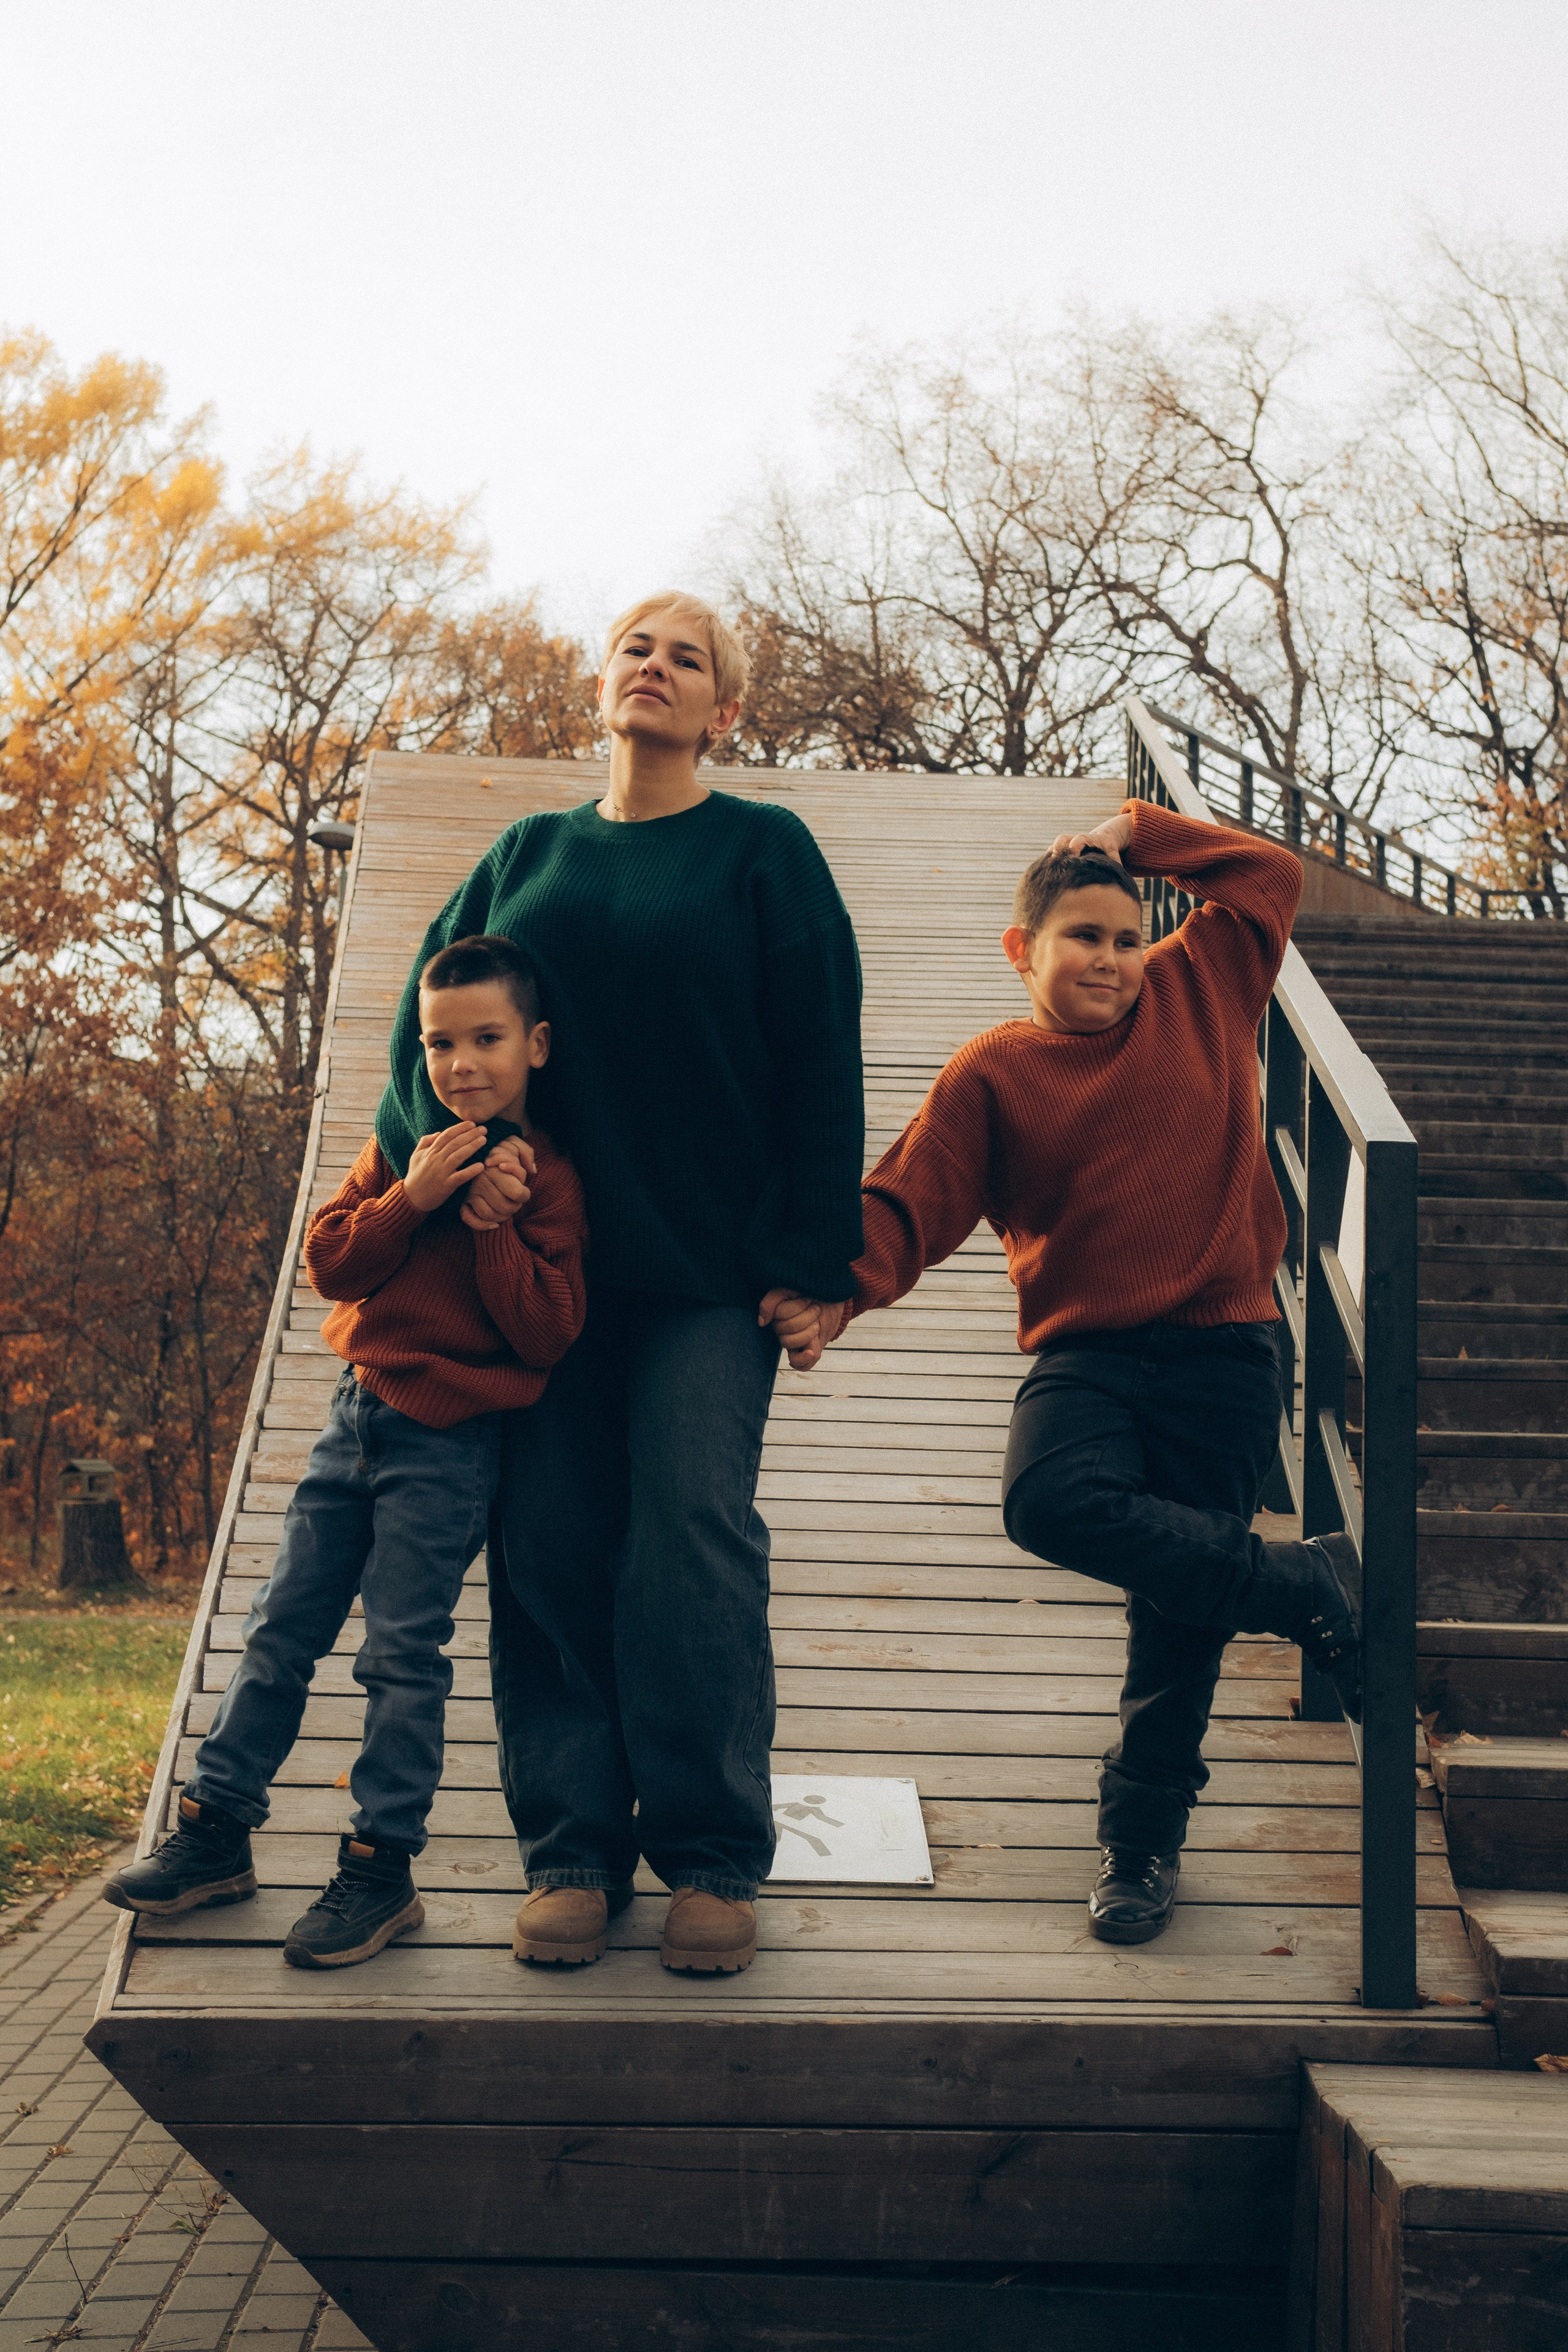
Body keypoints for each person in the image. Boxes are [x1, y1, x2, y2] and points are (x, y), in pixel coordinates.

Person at [374, 594, 864, 1975]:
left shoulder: (762, 852)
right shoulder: (524, 855)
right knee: (547, 1541)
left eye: (687, 658)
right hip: (535, 1271)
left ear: (724, 710)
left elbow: (821, 1060)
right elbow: (429, 1034)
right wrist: (430, 1176)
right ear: (600, 685)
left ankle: (709, 1853)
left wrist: (815, 1261)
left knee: (690, 1532)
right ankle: (573, 1849)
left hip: (705, 1280)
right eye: (636, 648)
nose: (655, 667)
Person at [772, 801, 1361, 1946]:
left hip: (1226, 1348)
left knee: (1178, 1620)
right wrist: (836, 1292)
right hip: (1086, 1354)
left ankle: (1140, 1848)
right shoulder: (995, 1072)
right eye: (1082, 937)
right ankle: (1301, 1582)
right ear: (1022, 952)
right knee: (1047, 1499)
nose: (1110, 958)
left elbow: (1270, 877)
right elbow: (909, 1201)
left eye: (1125, 934)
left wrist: (1139, 833)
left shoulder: (1206, 987)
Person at [104, 936, 587, 1969]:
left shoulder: (547, 1185)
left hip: (450, 1444)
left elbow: (546, 1332)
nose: (461, 1065)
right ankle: (216, 1832)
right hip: (355, 1415)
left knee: (400, 1655)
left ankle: (379, 1869)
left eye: (487, 1039)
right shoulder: (404, 1145)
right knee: (281, 1627)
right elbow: (330, 1264)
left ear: (536, 1045)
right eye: (439, 1043)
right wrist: (411, 1198)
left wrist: (494, 1230)